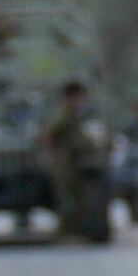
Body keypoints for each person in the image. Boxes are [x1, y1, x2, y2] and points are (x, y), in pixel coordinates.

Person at [37, 78, 113, 244]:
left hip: (77, 162)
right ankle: (65, 234)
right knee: (68, 199)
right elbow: (48, 136)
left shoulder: (75, 114)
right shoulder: (63, 114)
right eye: (79, 97)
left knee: (79, 199)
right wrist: (56, 157)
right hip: (68, 164)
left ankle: (76, 232)